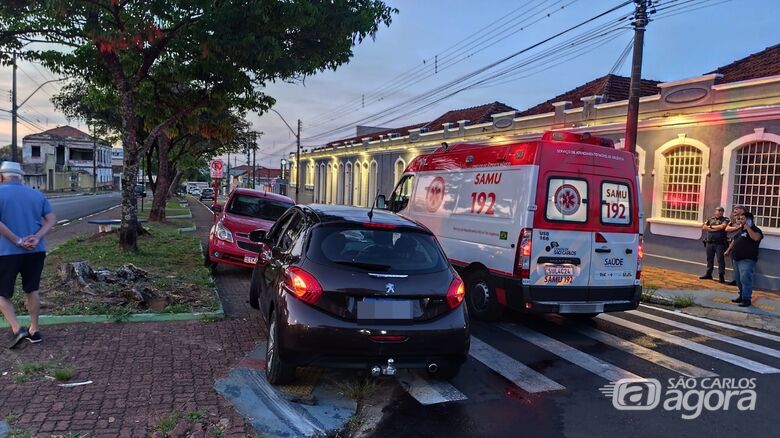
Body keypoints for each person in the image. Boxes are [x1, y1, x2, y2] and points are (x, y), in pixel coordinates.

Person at [0, 161, 57, 348]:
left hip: (6, 252)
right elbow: (51, 218)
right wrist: (37, 237)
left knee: (2, 293)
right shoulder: (36, 194)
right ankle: (34, 329)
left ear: (1, 177)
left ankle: (17, 329)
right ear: (20, 177)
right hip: (36, 250)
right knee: (31, 289)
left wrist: (17, 240)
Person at [724, 211, 763, 307]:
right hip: (736, 259)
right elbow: (734, 240)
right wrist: (728, 250)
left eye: (742, 219)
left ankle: (746, 299)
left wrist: (748, 228)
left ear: (749, 220)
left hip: (747, 260)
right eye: (739, 219)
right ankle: (741, 296)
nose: (740, 221)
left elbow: (756, 238)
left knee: (745, 279)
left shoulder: (755, 229)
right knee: (738, 279)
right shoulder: (741, 230)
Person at [699, 206, 730, 282]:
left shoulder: (725, 219)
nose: (720, 212)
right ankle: (708, 274)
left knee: (720, 260)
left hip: (720, 244)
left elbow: (722, 227)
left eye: (721, 211)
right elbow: (704, 227)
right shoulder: (710, 219)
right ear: (715, 211)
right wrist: (714, 228)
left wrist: (710, 228)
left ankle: (721, 276)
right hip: (709, 243)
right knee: (709, 259)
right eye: (718, 210)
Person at [724, 205, 746, 285]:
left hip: (739, 243)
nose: (735, 211)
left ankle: (740, 281)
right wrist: (736, 227)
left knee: (740, 264)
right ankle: (736, 279)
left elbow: (742, 227)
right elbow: (727, 228)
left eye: (736, 209)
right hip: (731, 242)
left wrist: (737, 227)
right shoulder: (734, 219)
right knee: (734, 263)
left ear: (742, 210)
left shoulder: (745, 218)